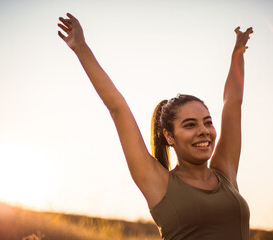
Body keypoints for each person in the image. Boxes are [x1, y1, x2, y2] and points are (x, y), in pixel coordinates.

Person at [58, 13, 253, 240]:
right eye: (190, 125)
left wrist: (237, 54)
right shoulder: (159, 182)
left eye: (207, 122)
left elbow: (232, 104)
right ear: (169, 137)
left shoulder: (225, 173)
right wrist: (80, 47)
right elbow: (117, 108)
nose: (204, 130)